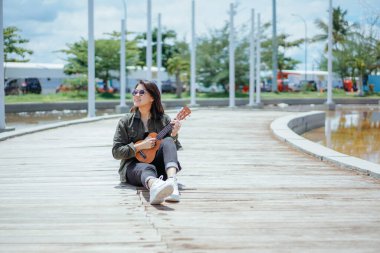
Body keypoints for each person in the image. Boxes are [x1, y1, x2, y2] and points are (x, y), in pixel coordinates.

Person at [112, 80, 182, 205]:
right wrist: (140, 146)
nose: (136, 95)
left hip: (159, 167)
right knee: (147, 168)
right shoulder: (126, 121)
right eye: (135, 92)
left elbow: (170, 149)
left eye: (141, 92)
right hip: (133, 167)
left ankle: (172, 182)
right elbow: (116, 152)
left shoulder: (163, 120)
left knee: (168, 140)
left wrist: (174, 134)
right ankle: (154, 187)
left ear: (152, 98)